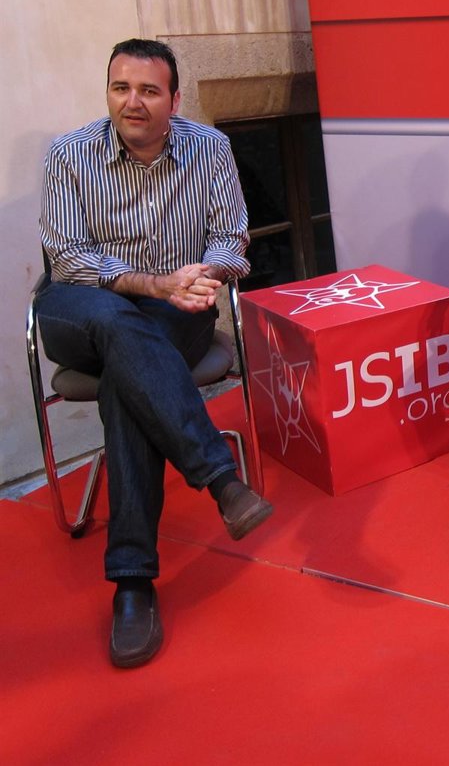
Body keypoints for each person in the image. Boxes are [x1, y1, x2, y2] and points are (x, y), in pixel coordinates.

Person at [38, 38, 274, 668]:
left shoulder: (210, 148)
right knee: (119, 323)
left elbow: (231, 240)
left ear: (174, 98)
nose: (133, 102)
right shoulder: (69, 154)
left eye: (148, 90)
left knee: (129, 374)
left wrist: (203, 276)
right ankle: (222, 479)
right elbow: (69, 259)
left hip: (175, 308)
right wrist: (153, 284)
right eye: (121, 88)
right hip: (82, 307)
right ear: (108, 93)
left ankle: (133, 583)